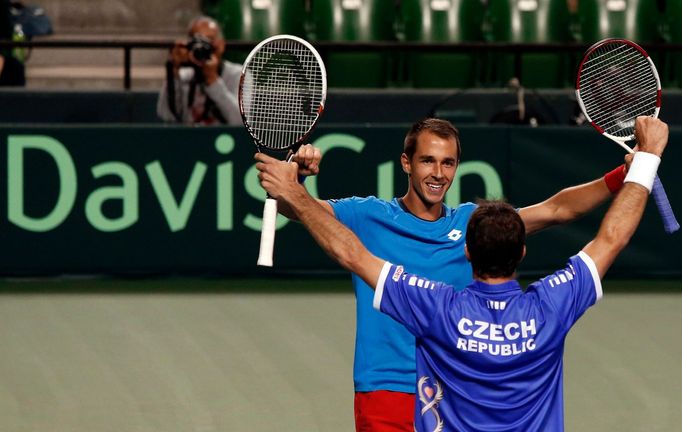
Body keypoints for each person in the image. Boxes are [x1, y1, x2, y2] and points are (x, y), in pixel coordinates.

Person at [257, 116, 668, 431]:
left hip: (448, 392)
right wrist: (293, 181)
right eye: (428, 161)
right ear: (406, 162)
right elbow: (305, 214)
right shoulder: (365, 215)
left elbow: (559, 209)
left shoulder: (476, 224)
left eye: (448, 162)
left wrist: (622, 177)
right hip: (385, 387)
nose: (438, 173)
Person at [157, 15, 241, 125]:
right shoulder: (183, 75)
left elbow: (240, 121)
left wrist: (212, 80)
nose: (202, 47)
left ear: (221, 45)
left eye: (209, 40)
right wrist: (173, 72)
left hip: (224, 139)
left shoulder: (238, 74)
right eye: (197, 40)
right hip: (189, 139)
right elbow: (166, 115)